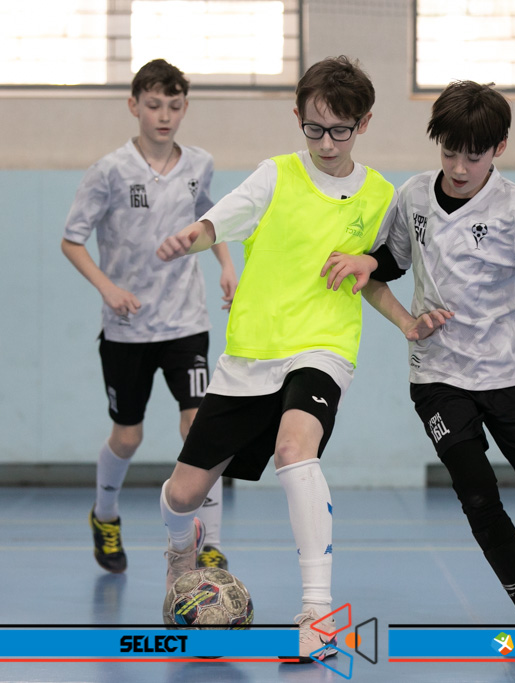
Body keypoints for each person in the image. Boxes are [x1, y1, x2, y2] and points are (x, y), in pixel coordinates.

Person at [155, 56, 445, 662]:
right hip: (251, 353)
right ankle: (182, 550)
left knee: (295, 449)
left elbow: (372, 275)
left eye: (340, 130)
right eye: (315, 128)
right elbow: (218, 222)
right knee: (182, 494)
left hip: (323, 347)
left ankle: (317, 613)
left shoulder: (380, 196)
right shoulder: (276, 175)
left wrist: (405, 323)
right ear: (298, 117)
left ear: (364, 123)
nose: (327, 142)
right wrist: (191, 238)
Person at [332, 80, 515, 627]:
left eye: (474, 155)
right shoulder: (414, 196)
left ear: (499, 148)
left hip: (511, 372)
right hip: (438, 375)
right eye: (449, 152)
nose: (459, 167)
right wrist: (368, 263)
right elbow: (394, 260)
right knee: (478, 498)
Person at [62, 60, 238, 574]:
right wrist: (108, 288)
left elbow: (210, 220)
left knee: (199, 428)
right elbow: (72, 241)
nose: (164, 116)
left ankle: (209, 542)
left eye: (174, 106)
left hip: (185, 322)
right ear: (134, 105)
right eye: (154, 105)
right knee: (128, 436)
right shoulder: (110, 171)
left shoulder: (200, 164)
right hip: (127, 328)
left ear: (185, 108)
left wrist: (227, 265)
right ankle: (105, 514)